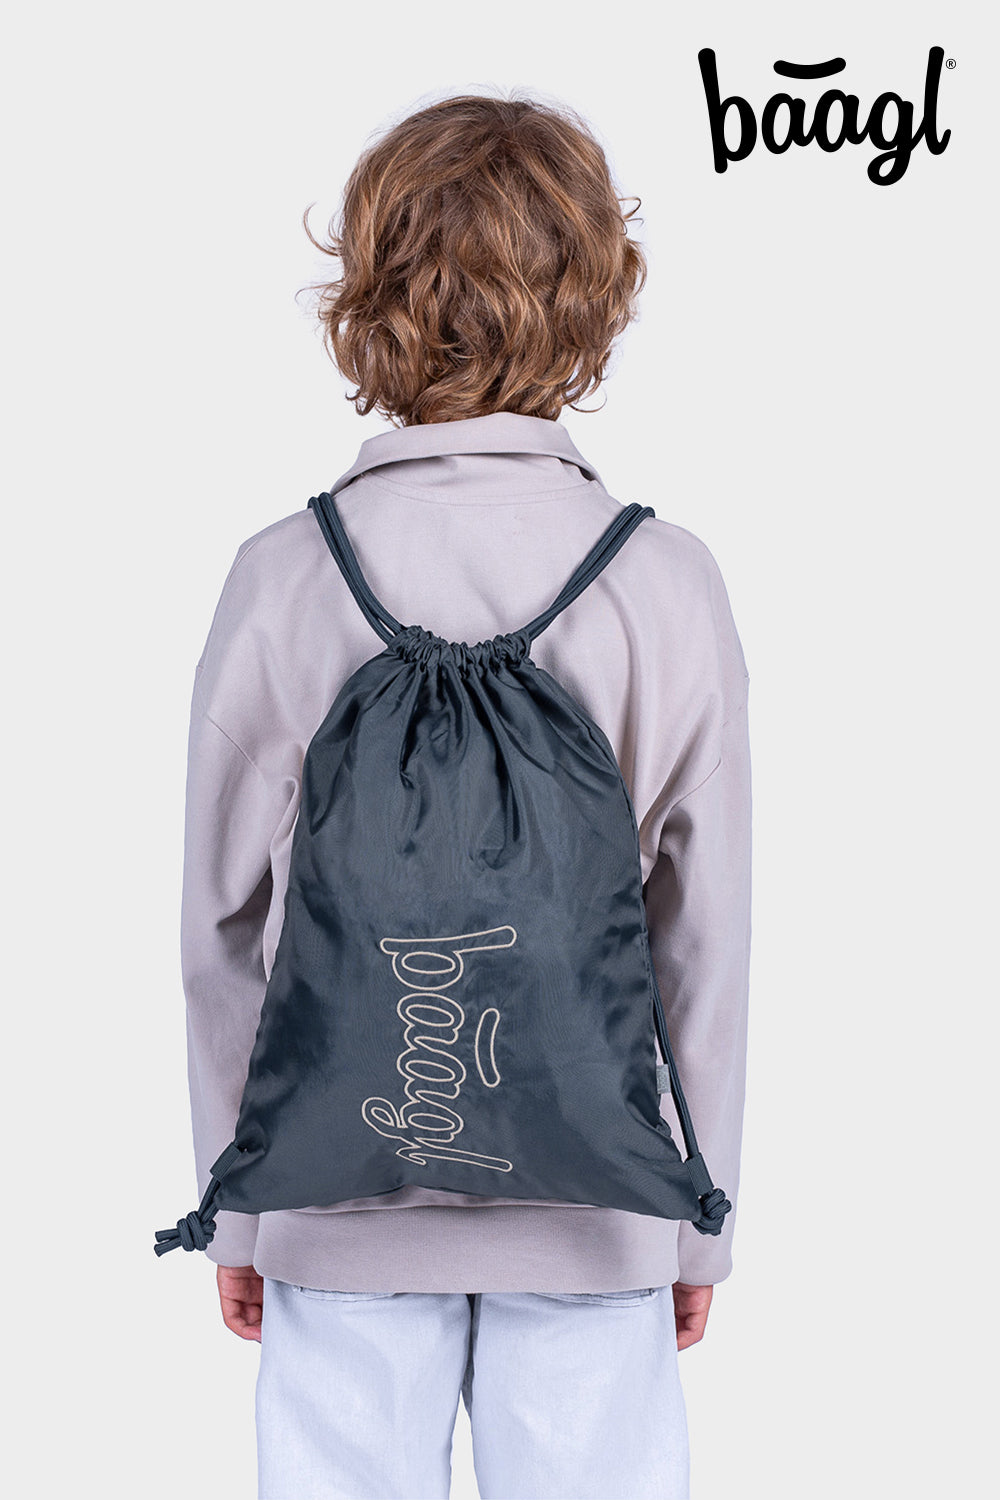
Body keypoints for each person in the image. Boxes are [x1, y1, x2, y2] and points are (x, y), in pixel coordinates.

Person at [182, 91, 751, 1500]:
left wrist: (240, 1205)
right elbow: (702, 941)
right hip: (596, 1201)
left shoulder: (282, 574)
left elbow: (223, 931)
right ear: (597, 296)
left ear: (366, 294)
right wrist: (698, 1220)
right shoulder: (665, 580)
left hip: (336, 1199)